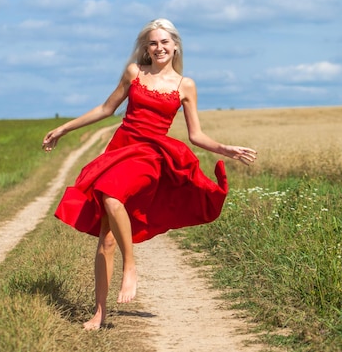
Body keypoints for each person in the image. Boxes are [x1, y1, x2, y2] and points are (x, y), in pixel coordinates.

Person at [42, 18, 257, 331]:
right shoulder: (134, 73)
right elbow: (106, 109)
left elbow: (196, 134)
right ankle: (99, 314)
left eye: (165, 42)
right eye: (153, 43)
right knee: (106, 240)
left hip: (150, 155)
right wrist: (63, 128)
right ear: (146, 47)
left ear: (175, 46)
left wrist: (226, 149)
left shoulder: (186, 85)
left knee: (112, 198)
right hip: (121, 149)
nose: (159, 48)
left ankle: (131, 266)